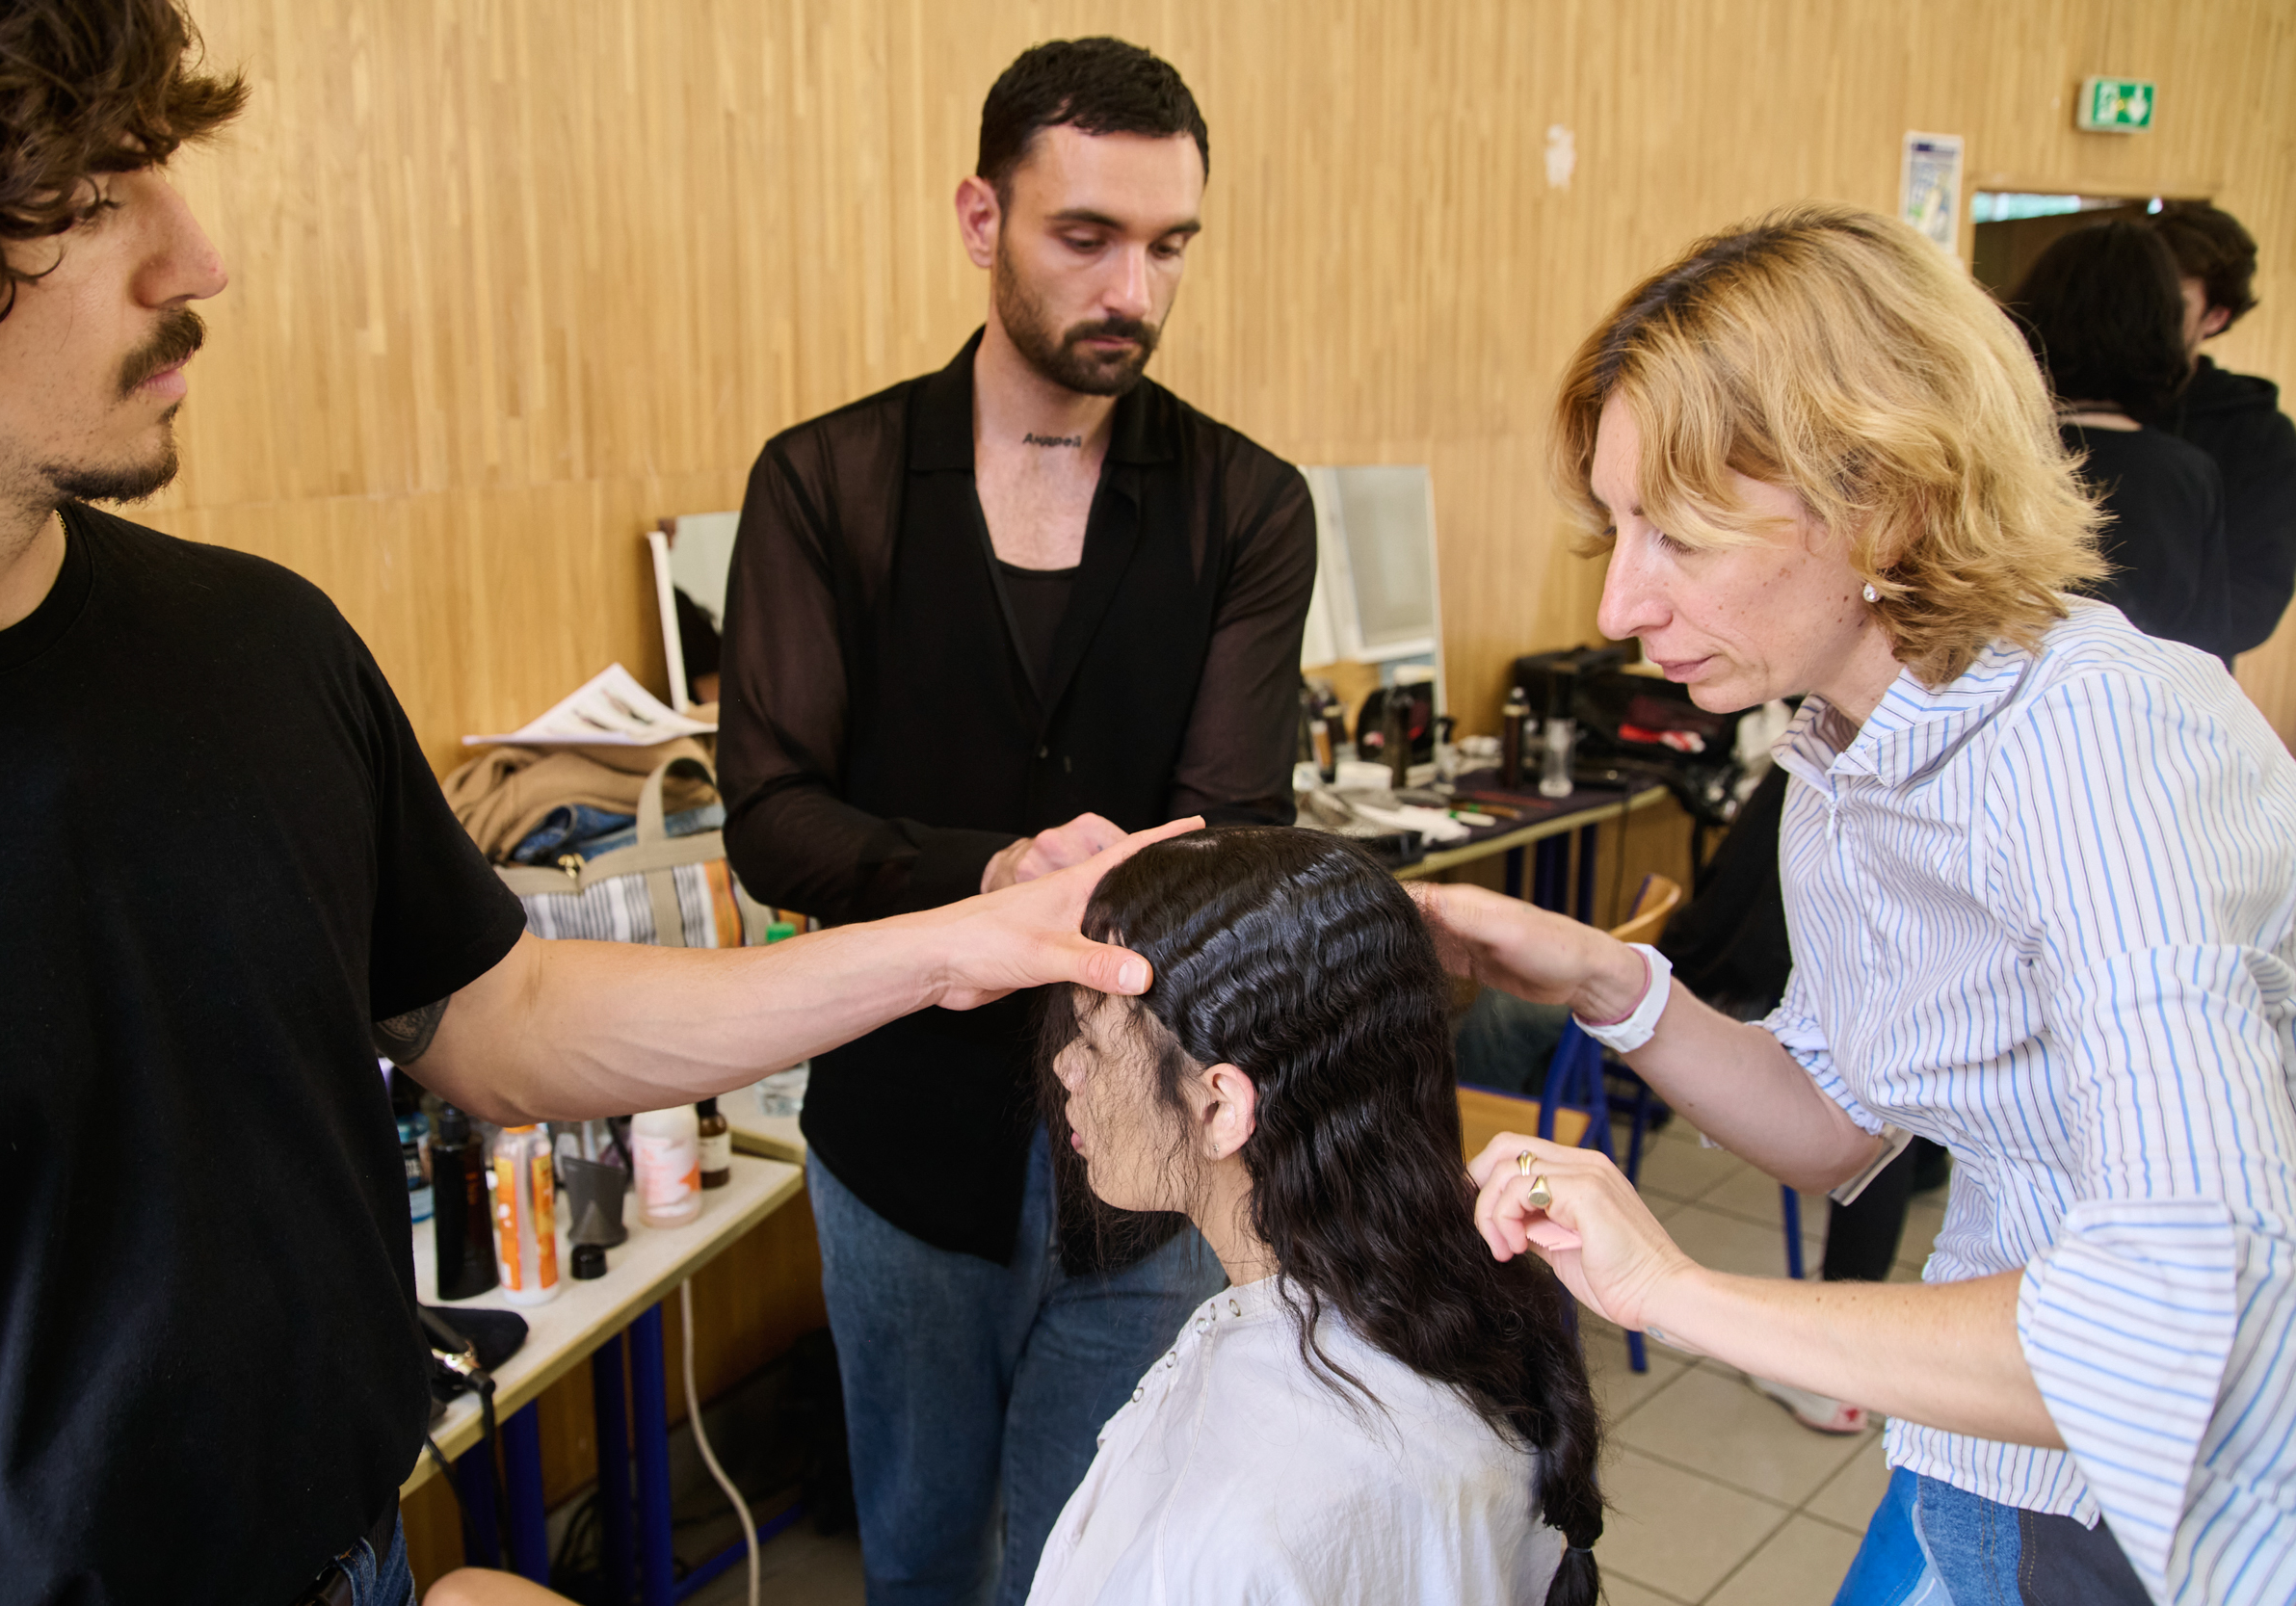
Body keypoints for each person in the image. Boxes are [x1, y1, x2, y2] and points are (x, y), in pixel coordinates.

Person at [0, 7, 1187, 1602]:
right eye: (91, 196)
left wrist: (959, 943)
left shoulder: (255, 648)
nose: (197, 257)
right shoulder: (831, 481)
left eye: (164, 168)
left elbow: (507, 1015)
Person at [1418, 202, 2296, 1605]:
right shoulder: (1844, 759)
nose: (1624, 602)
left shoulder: (2104, 742)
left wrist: (1674, 1291)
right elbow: (1836, 1126)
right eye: (1620, 527)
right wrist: (1604, 977)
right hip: (1991, 1457)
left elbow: (2171, 1318)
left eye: (1681, 535)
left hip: (2183, 1516)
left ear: (1883, 496)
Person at [717, 38, 1317, 1605]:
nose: (1133, 285)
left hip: (1147, 1139)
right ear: (982, 219)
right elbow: (773, 822)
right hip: (902, 1137)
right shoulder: (825, 485)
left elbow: (1238, 824)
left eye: (1169, 244)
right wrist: (983, 878)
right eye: (1087, 236)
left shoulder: (1245, 506)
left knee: (1098, 1564)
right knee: (920, 1555)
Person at [1027, 828, 1602, 1606]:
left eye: (1091, 1040)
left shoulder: (1222, 1539)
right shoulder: (1445, 1319)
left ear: (1221, 1104)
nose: (1066, 1067)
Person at [2007, 219, 2235, 662]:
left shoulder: (1999, 455)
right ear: (2165, 330)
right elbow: (2209, 650)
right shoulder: (2188, 474)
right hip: (2143, 720)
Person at [2153, 201, 2296, 655]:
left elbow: (2256, 598)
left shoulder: (2259, 434)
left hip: (2181, 683)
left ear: (2216, 317)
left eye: (2171, 303)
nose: (2146, 315)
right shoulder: (2073, 403)